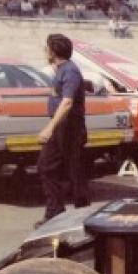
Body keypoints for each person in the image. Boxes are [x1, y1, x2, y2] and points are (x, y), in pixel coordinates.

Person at [36, 33, 89, 226]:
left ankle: (83, 214)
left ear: (53, 52)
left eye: (47, 49)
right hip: (61, 126)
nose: (45, 52)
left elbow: (67, 103)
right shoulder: (62, 70)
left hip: (70, 128)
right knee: (46, 166)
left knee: (74, 172)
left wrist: (49, 128)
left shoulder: (70, 71)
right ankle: (55, 213)